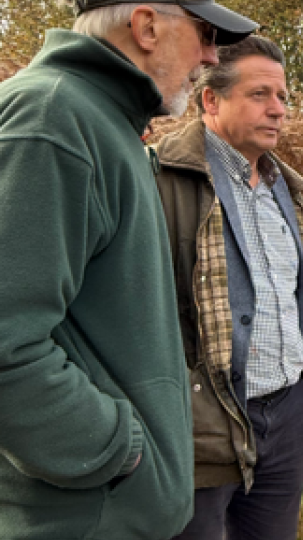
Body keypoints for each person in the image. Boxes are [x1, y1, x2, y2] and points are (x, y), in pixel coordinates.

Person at [0, 1, 256, 539]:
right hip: (78, 519)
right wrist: (119, 448)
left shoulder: (104, 125)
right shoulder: (53, 120)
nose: (211, 56)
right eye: (206, 34)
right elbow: (7, 343)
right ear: (145, 25)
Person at [153, 35, 303, 540]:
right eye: (260, 95)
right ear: (211, 100)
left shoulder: (286, 190)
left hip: (285, 419)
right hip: (197, 432)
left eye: (282, 97)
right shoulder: (161, 178)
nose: (278, 110)